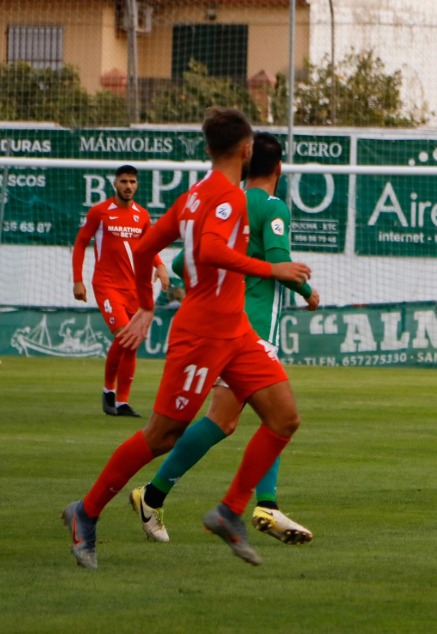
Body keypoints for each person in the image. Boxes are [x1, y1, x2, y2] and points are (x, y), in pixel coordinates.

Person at [61, 108, 312, 570]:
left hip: (235, 329)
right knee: (162, 435)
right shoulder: (227, 198)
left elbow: (144, 249)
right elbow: (210, 249)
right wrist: (270, 268)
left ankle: (230, 511)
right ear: (246, 148)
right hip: (201, 334)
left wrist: (146, 305)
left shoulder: (193, 197)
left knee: (284, 419)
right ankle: (87, 510)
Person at [131, 131, 321, 546]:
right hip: (248, 328)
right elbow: (278, 260)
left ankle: (259, 503)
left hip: (224, 324)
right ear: (279, 168)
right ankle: (165, 494)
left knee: (233, 419)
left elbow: (184, 260)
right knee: (253, 417)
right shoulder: (272, 207)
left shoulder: (228, 201)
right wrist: (308, 292)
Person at [72, 165, 170, 416]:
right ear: (115, 183)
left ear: (137, 185)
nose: (128, 186)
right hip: (106, 285)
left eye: (133, 181)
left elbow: (150, 246)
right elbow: (81, 243)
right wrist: (77, 280)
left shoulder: (142, 215)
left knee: (132, 343)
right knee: (125, 335)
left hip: (134, 288)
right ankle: (108, 391)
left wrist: (160, 267)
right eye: (124, 181)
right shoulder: (100, 212)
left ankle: (122, 403)